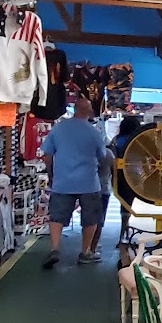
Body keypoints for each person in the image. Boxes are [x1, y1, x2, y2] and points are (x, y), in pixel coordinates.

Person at [40, 93, 113, 268]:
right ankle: (85, 252)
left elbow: (47, 155)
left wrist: (51, 174)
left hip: (63, 181)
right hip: (88, 182)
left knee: (57, 216)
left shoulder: (59, 128)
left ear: (74, 109)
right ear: (88, 111)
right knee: (90, 218)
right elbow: (103, 156)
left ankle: (55, 248)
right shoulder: (94, 132)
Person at [110, 113, 144, 237]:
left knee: (124, 203)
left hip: (117, 176)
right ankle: (124, 230)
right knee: (128, 203)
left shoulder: (116, 140)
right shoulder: (138, 141)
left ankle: (123, 231)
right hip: (134, 176)